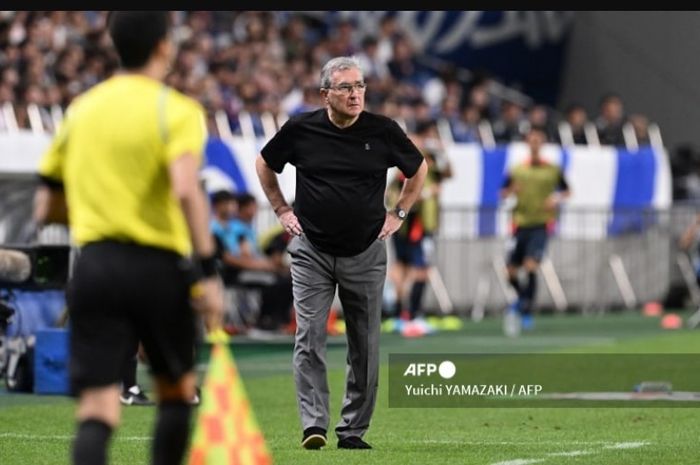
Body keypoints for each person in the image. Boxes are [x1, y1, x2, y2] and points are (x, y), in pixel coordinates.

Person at [34, 12, 223, 465]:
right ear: (164, 47)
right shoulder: (176, 109)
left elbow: (46, 209)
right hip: (158, 269)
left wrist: (102, 205)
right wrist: (209, 272)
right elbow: (185, 190)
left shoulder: (82, 109)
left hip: (95, 266)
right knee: (178, 393)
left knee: (97, 408)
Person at [255, 56, 427, 450]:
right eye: (346, 87)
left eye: (360, 86)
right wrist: (282, 209)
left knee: (364, 345)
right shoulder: (301, 129)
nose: (356, 94)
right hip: (311, 250)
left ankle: (352, 430)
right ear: (325, 94)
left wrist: (399, 213)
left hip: (365, 251)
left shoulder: (383, 131)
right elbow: (265, 164)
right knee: (308, 337)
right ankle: (313, 425)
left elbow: (418, 169)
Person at [500, 125, 570, 334]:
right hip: (519, 223)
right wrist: (511, 191)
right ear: (527, 143)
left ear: (543, 143)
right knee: (510, 272)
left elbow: (567, 191)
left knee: (531, 266)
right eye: (532, 140)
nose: (535, 144)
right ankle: (523, 300)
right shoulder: (517, 169)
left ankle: (527, 310)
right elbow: (503, 192)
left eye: (538, 140)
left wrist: (555, 199)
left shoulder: (552, 169)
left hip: (541, 223)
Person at [388, 119, 451, 324]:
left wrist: (442, 153)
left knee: (412, 267)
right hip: (410, 224)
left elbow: (448, 174)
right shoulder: (403, 172)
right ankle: (409, 314)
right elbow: (397, 198)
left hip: (421, 224)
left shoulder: (430, 166)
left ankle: (404, 314)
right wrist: (425, 194)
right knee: (412, 267)